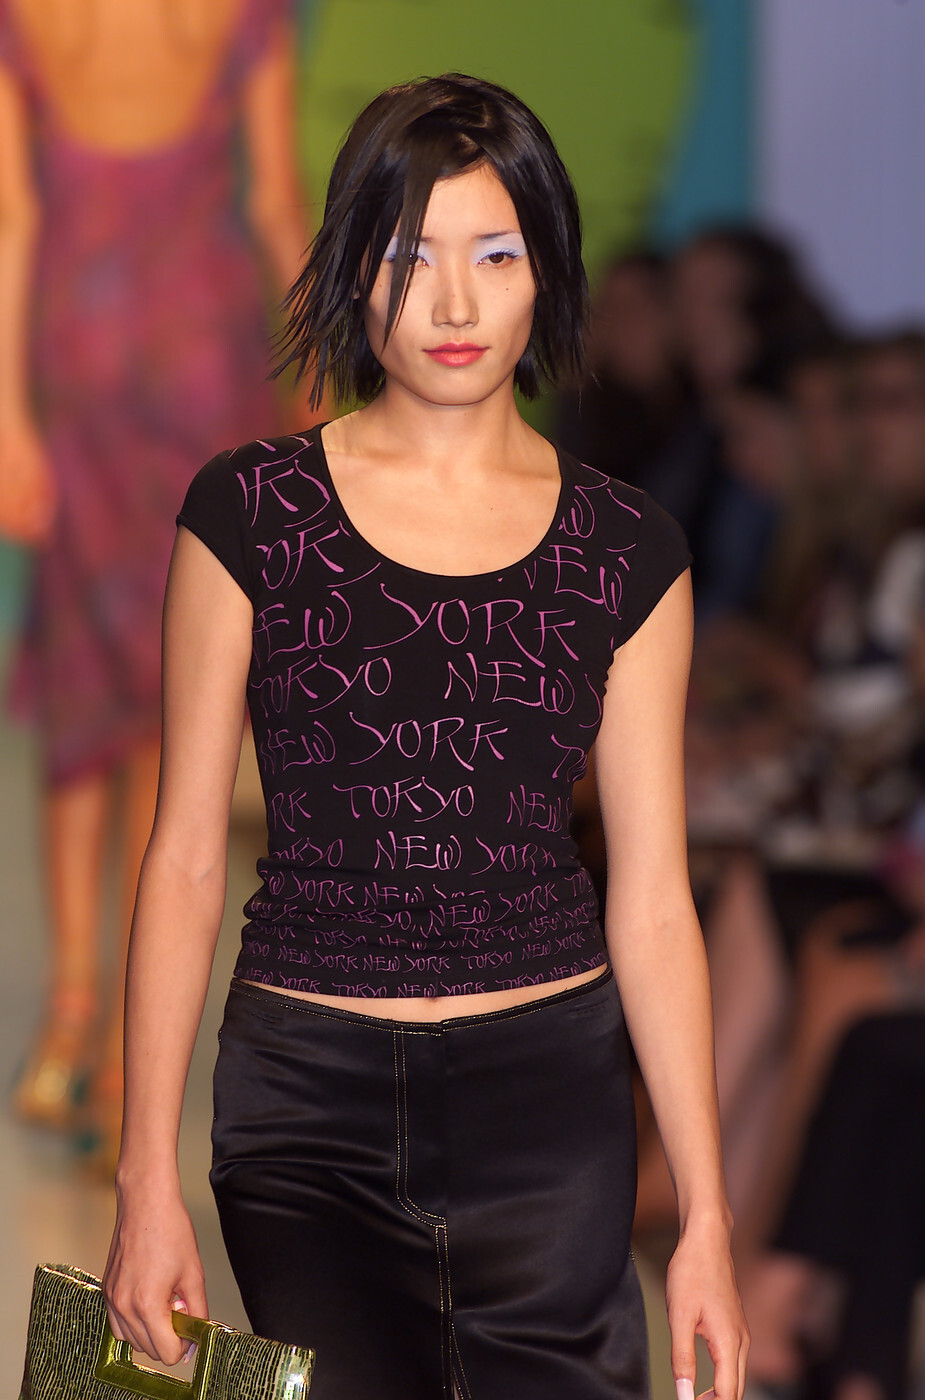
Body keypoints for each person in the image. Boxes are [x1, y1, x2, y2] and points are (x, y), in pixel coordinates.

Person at [101, 74, 748, 1399]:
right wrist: (141, 1174)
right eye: (409, 258)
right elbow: (183, 858)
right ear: (353, 270)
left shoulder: (627, 550)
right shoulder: (251, 515)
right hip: (305, 1109)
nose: (454, 304)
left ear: (546, 269)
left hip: (549, 1111)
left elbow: (651, 898)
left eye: (495, 256)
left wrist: (705, 1217)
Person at [0, 0, 310, 1152]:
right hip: (203, 354)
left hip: (76, 353)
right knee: (174, 704)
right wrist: (316, 380)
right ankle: (135, 1044)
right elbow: (276, 205)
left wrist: (6, 416)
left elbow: (13, 215)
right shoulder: (243, 13)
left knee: (83, 675)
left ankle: (72, 1007)